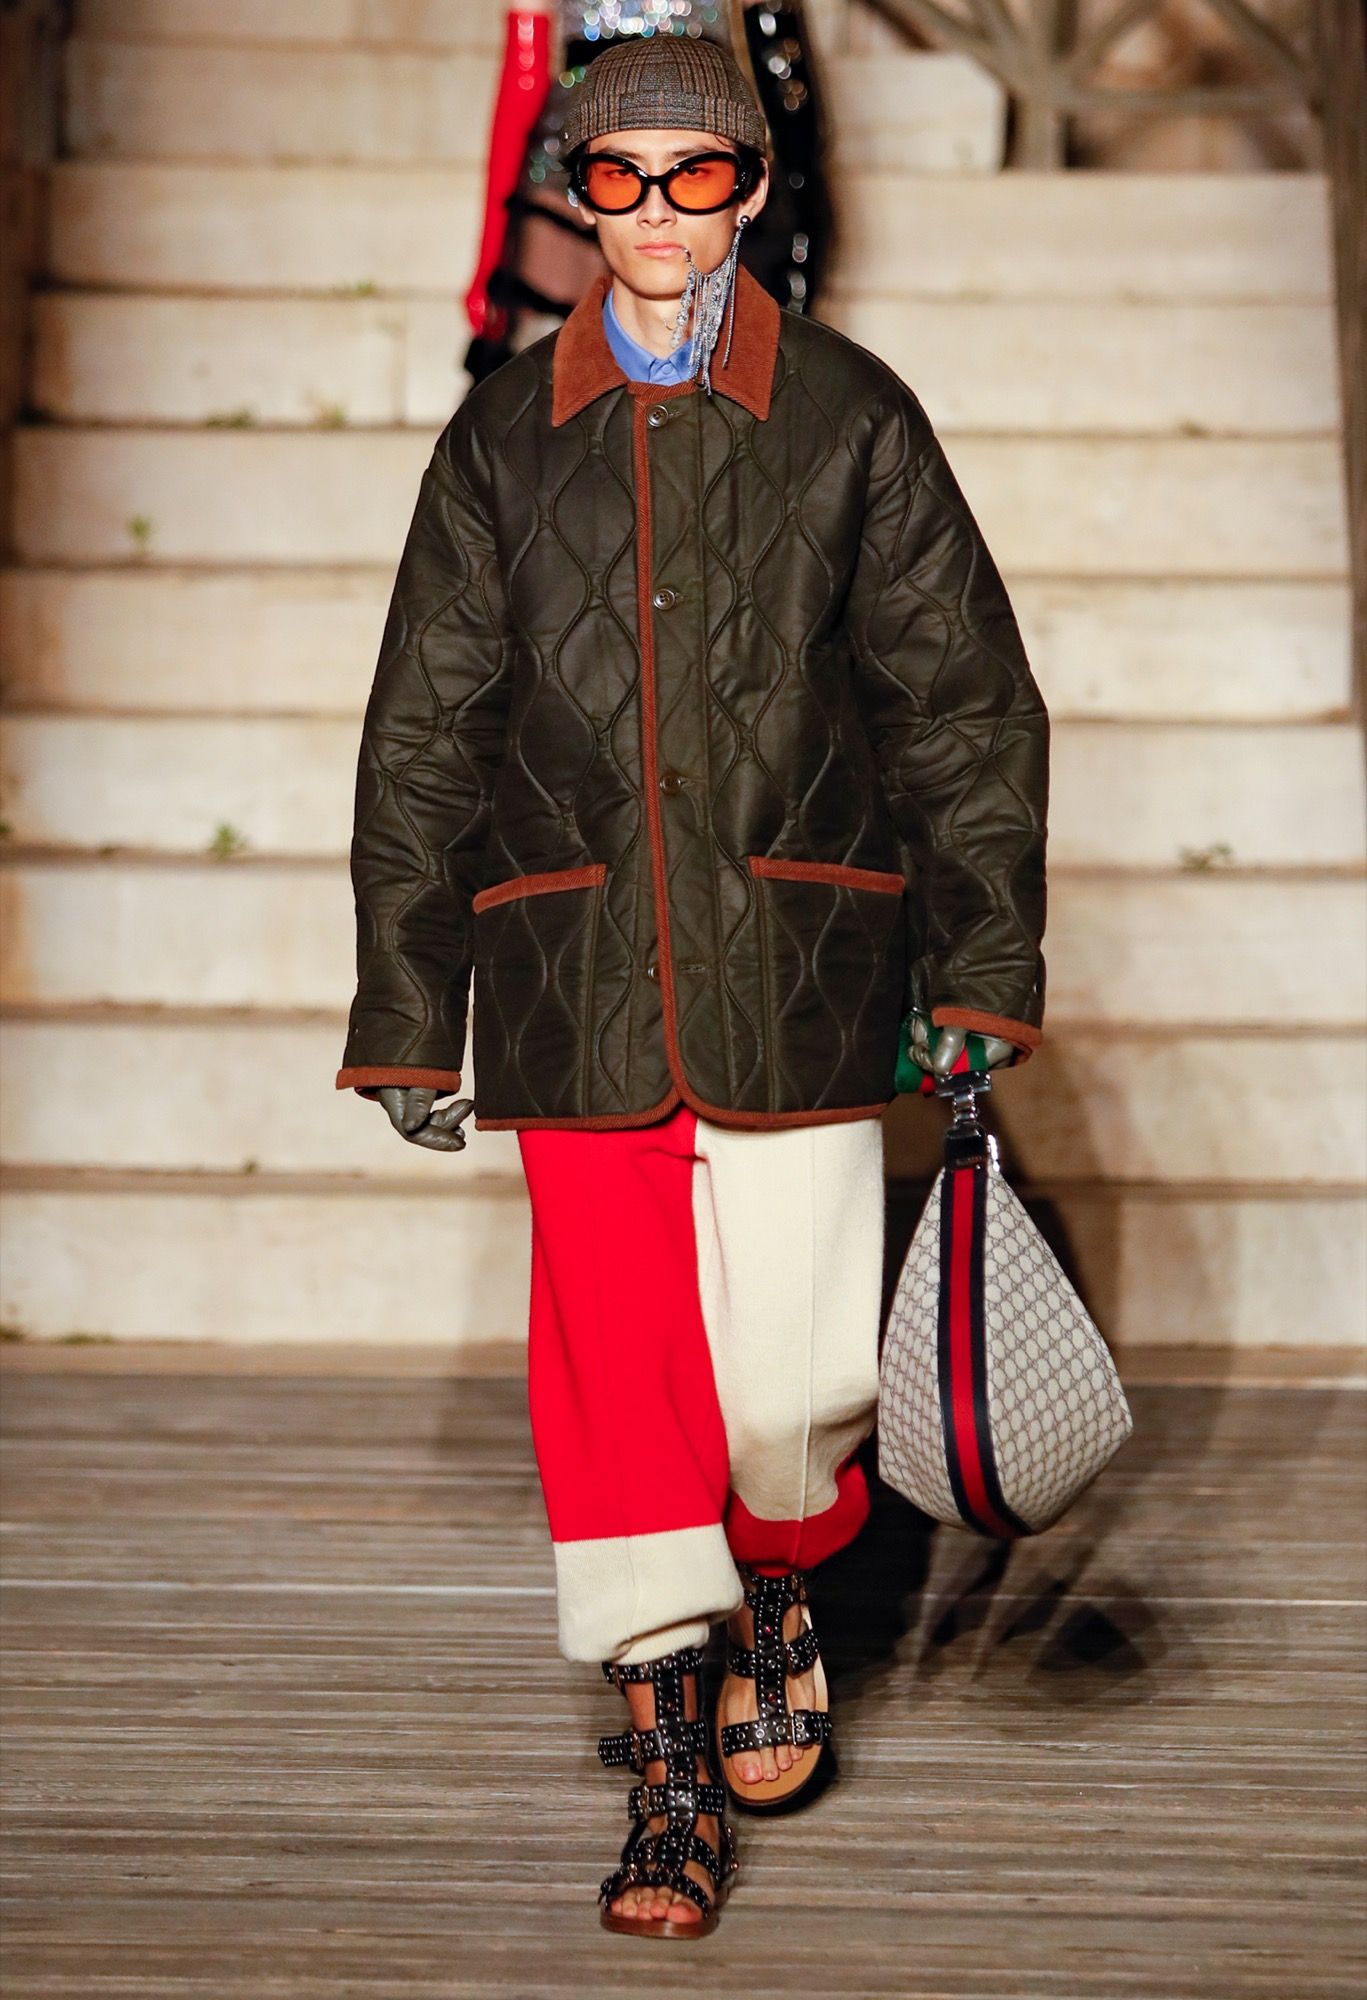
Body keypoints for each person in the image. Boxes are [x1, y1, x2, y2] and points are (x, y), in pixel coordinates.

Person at [334, 33, 1049, 1941]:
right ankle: (665, 1766)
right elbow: (424, 733)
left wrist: (981, 958)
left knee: (801, 1376)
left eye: (696, 173)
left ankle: (787, 1573)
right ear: (576, 193)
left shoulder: (849, 414)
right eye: (619, 176)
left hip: (797, 953)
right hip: (569, 966)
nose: (656, 211)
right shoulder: (504, 435)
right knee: (617, 1381)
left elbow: (964, 705)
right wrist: (406, 1002)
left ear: (751, 186)